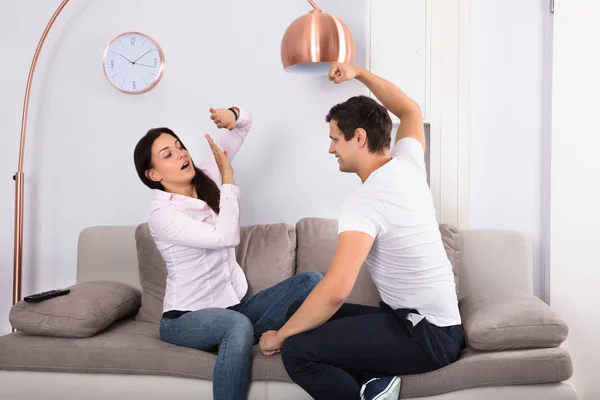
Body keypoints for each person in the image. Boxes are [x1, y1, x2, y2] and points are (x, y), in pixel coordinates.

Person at [258, 63, 466, 400]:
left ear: (360, 137)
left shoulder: (365, 201)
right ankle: (376, 383)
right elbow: (409, 109)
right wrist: (359, 74)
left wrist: (279, 337)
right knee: (299, 308)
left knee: (298, 350)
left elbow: (336, 290)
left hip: (425, 337)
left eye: (334, 139)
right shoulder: (408, 165)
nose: (330, 149)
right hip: (424, 325)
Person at [133, 105, 323, 400]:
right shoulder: (162, 213)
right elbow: (226, 237)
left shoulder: (204, 175)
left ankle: (238, 338)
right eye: (168, 154)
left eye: (179, 146)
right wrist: (229, 179)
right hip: (183, 318)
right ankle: (239, 336)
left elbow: (243, 127)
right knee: (237, 325)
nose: (182, 153)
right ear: (153, 173)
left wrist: (234, 115)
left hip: (233, 306)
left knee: (311, 281)